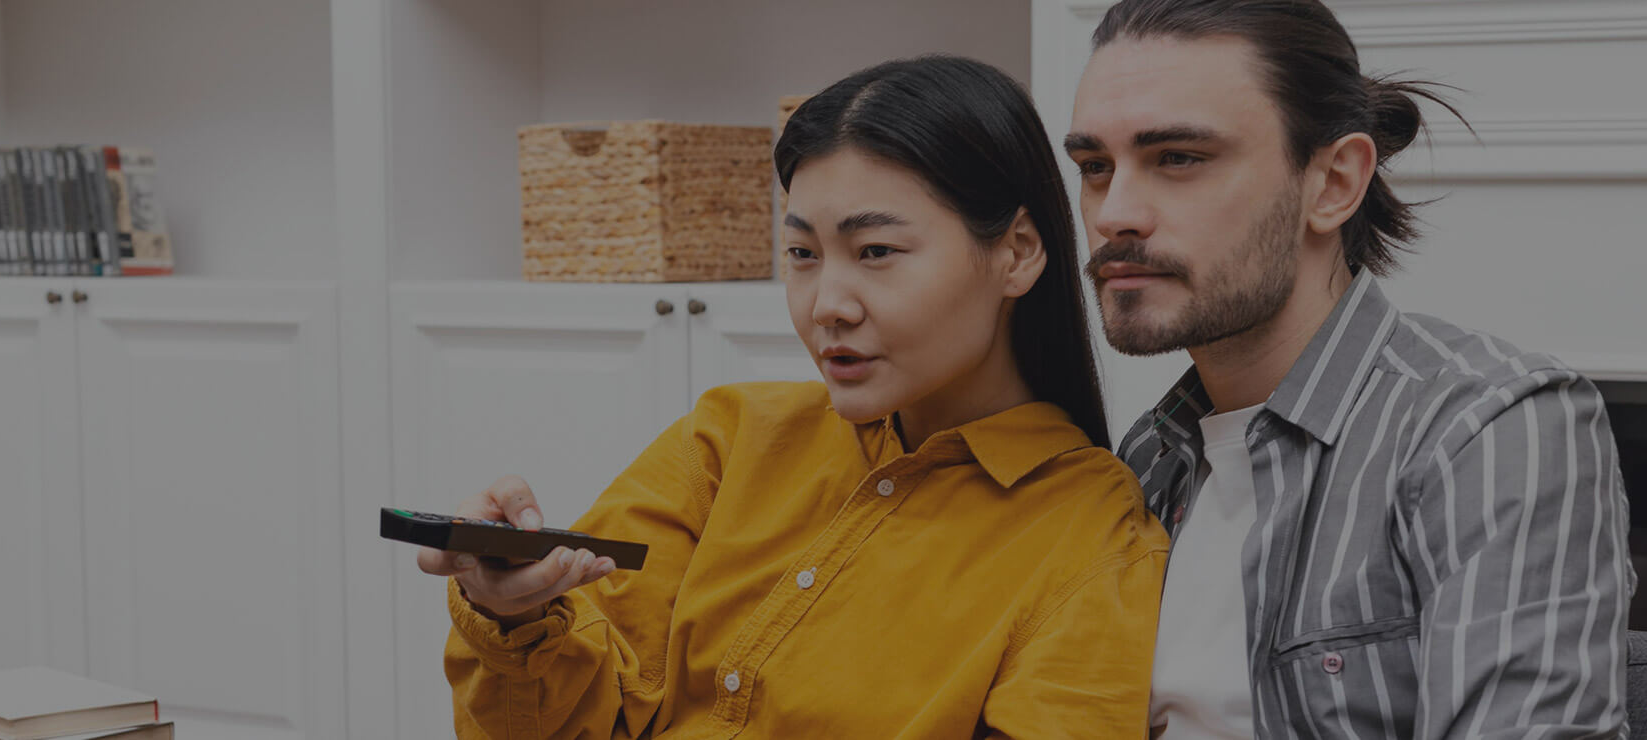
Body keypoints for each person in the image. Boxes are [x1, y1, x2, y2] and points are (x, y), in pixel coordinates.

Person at [415, 54, 1169, 739]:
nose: (826, 304)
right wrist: (512, 613)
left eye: (876, 251)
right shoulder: (728, 438)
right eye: (803, 253)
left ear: (1018, 252)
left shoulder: (1092, 530)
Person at [1064, 1, 1634, 737]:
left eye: (1178, 158)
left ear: (1333, 183)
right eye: (1095, 167)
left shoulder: (1485, 429)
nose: (1113, 213)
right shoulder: (1147, 459)